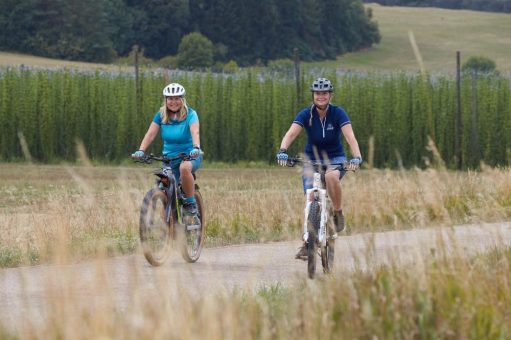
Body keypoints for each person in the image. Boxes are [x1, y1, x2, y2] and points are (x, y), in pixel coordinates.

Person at [276, 77, 362, 260]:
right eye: (317, 93)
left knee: (331, 177)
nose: (321, 96)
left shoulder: (338, 113)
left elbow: (350, 136)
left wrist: (356, 157)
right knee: (311, 196)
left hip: (335, 158)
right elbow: (291, 133)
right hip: (311, 159)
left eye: (324, 93)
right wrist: (283, 150)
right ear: (313, 95)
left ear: (330, 95)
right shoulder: (306, 114)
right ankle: (308, 243)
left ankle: (338, 213)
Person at [132, 83, 203, 216]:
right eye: (170, 98)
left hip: (190, 156)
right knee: (163, 186)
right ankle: (169, 218)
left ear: (183, 99)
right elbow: (150, 134)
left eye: (177, 98)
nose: (173, 102)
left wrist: (196, 147)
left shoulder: (191, 114)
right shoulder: (161, 115)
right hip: (169, 159)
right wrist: (141, 150)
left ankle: (191, 202)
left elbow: (195, 132)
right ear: (166, 100)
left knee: (184, 168)